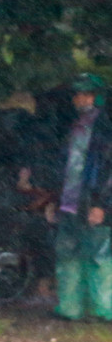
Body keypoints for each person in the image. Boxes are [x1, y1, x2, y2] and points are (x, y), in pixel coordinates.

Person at [49, 73, 112, 322]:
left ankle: (105, 310)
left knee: (100, 257)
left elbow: (107, 170)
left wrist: (102, 204)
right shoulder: (75, 127)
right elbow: (66, 166)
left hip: (92, 202)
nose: (78, 98)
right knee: (68, 255)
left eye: (84, 93)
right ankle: (70, 308)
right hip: (71, 202)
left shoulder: (105, 128)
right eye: (77, 94)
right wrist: (56, 198)